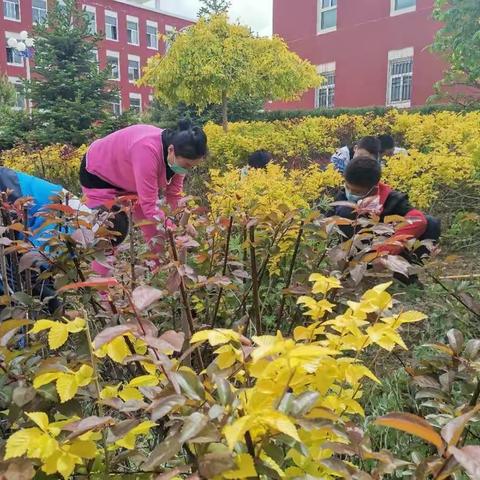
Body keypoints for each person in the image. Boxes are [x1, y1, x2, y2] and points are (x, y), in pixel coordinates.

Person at [80, 120, 208, 268]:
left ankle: (157, 275)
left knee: (156, 234)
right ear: (171, 150)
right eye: (186, 165)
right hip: (99, 174)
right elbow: (149, 207)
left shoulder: (180, 157)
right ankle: (101, 289)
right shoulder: (147, 150)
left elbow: (174, 195)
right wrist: (175, 230)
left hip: (130, 178)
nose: (187, 170)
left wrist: (182, 222)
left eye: (192, 166)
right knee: (108, 234)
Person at [328, 156, 441, 283]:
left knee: (431, 223)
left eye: (357, 192)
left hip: (386, 251)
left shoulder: (392, 200)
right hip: (357, 253)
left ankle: (406, 276)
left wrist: (384, 252)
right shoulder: (342, 197)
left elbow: (418, 219)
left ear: (374, 188)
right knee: (344, 212)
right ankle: (351, 274)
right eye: (348, 188)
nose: (350, 193)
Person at [0, 167, 89, 312]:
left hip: (62, 217)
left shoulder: (8, 184)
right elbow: (28, 263)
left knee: (20, 270)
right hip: (13, 196)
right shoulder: (77, 228)